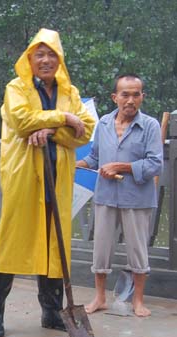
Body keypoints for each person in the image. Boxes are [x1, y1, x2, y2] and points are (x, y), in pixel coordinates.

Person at [0, 28, 95, 337]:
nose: (45, 60)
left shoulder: (69, 91)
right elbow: (21, 121)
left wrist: (49, 129)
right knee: (10, 242)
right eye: (39, 54)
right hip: (24, 175)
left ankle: (51, 311)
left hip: (58, 176)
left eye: (51, 55)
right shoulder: (16, 88)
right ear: (29, 59)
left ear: (59, 60)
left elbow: (84, 132)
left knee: (55, 244)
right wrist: (64, 118)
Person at [77, 74, 162, 317]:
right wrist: (75, 164)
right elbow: (95, 157)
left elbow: (155, 164)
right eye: (125, 94)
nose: (130, 100)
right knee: (101, 249)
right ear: (115, 97)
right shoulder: (103, 123)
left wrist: (121, 167)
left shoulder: (150, 126)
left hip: (137, 198)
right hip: (105, 195)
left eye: (136, 94)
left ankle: (137, 300)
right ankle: (100, 298)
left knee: (137, 250)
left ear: (142, 97)